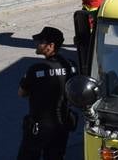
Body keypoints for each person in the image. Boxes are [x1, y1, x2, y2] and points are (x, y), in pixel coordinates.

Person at [16, 25, 77, 160]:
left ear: (50, 46)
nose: (37, 44)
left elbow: (21, 93)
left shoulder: (36, 69)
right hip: (62, 125)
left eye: (41, 42)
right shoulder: (71, 65)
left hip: (39, 128)